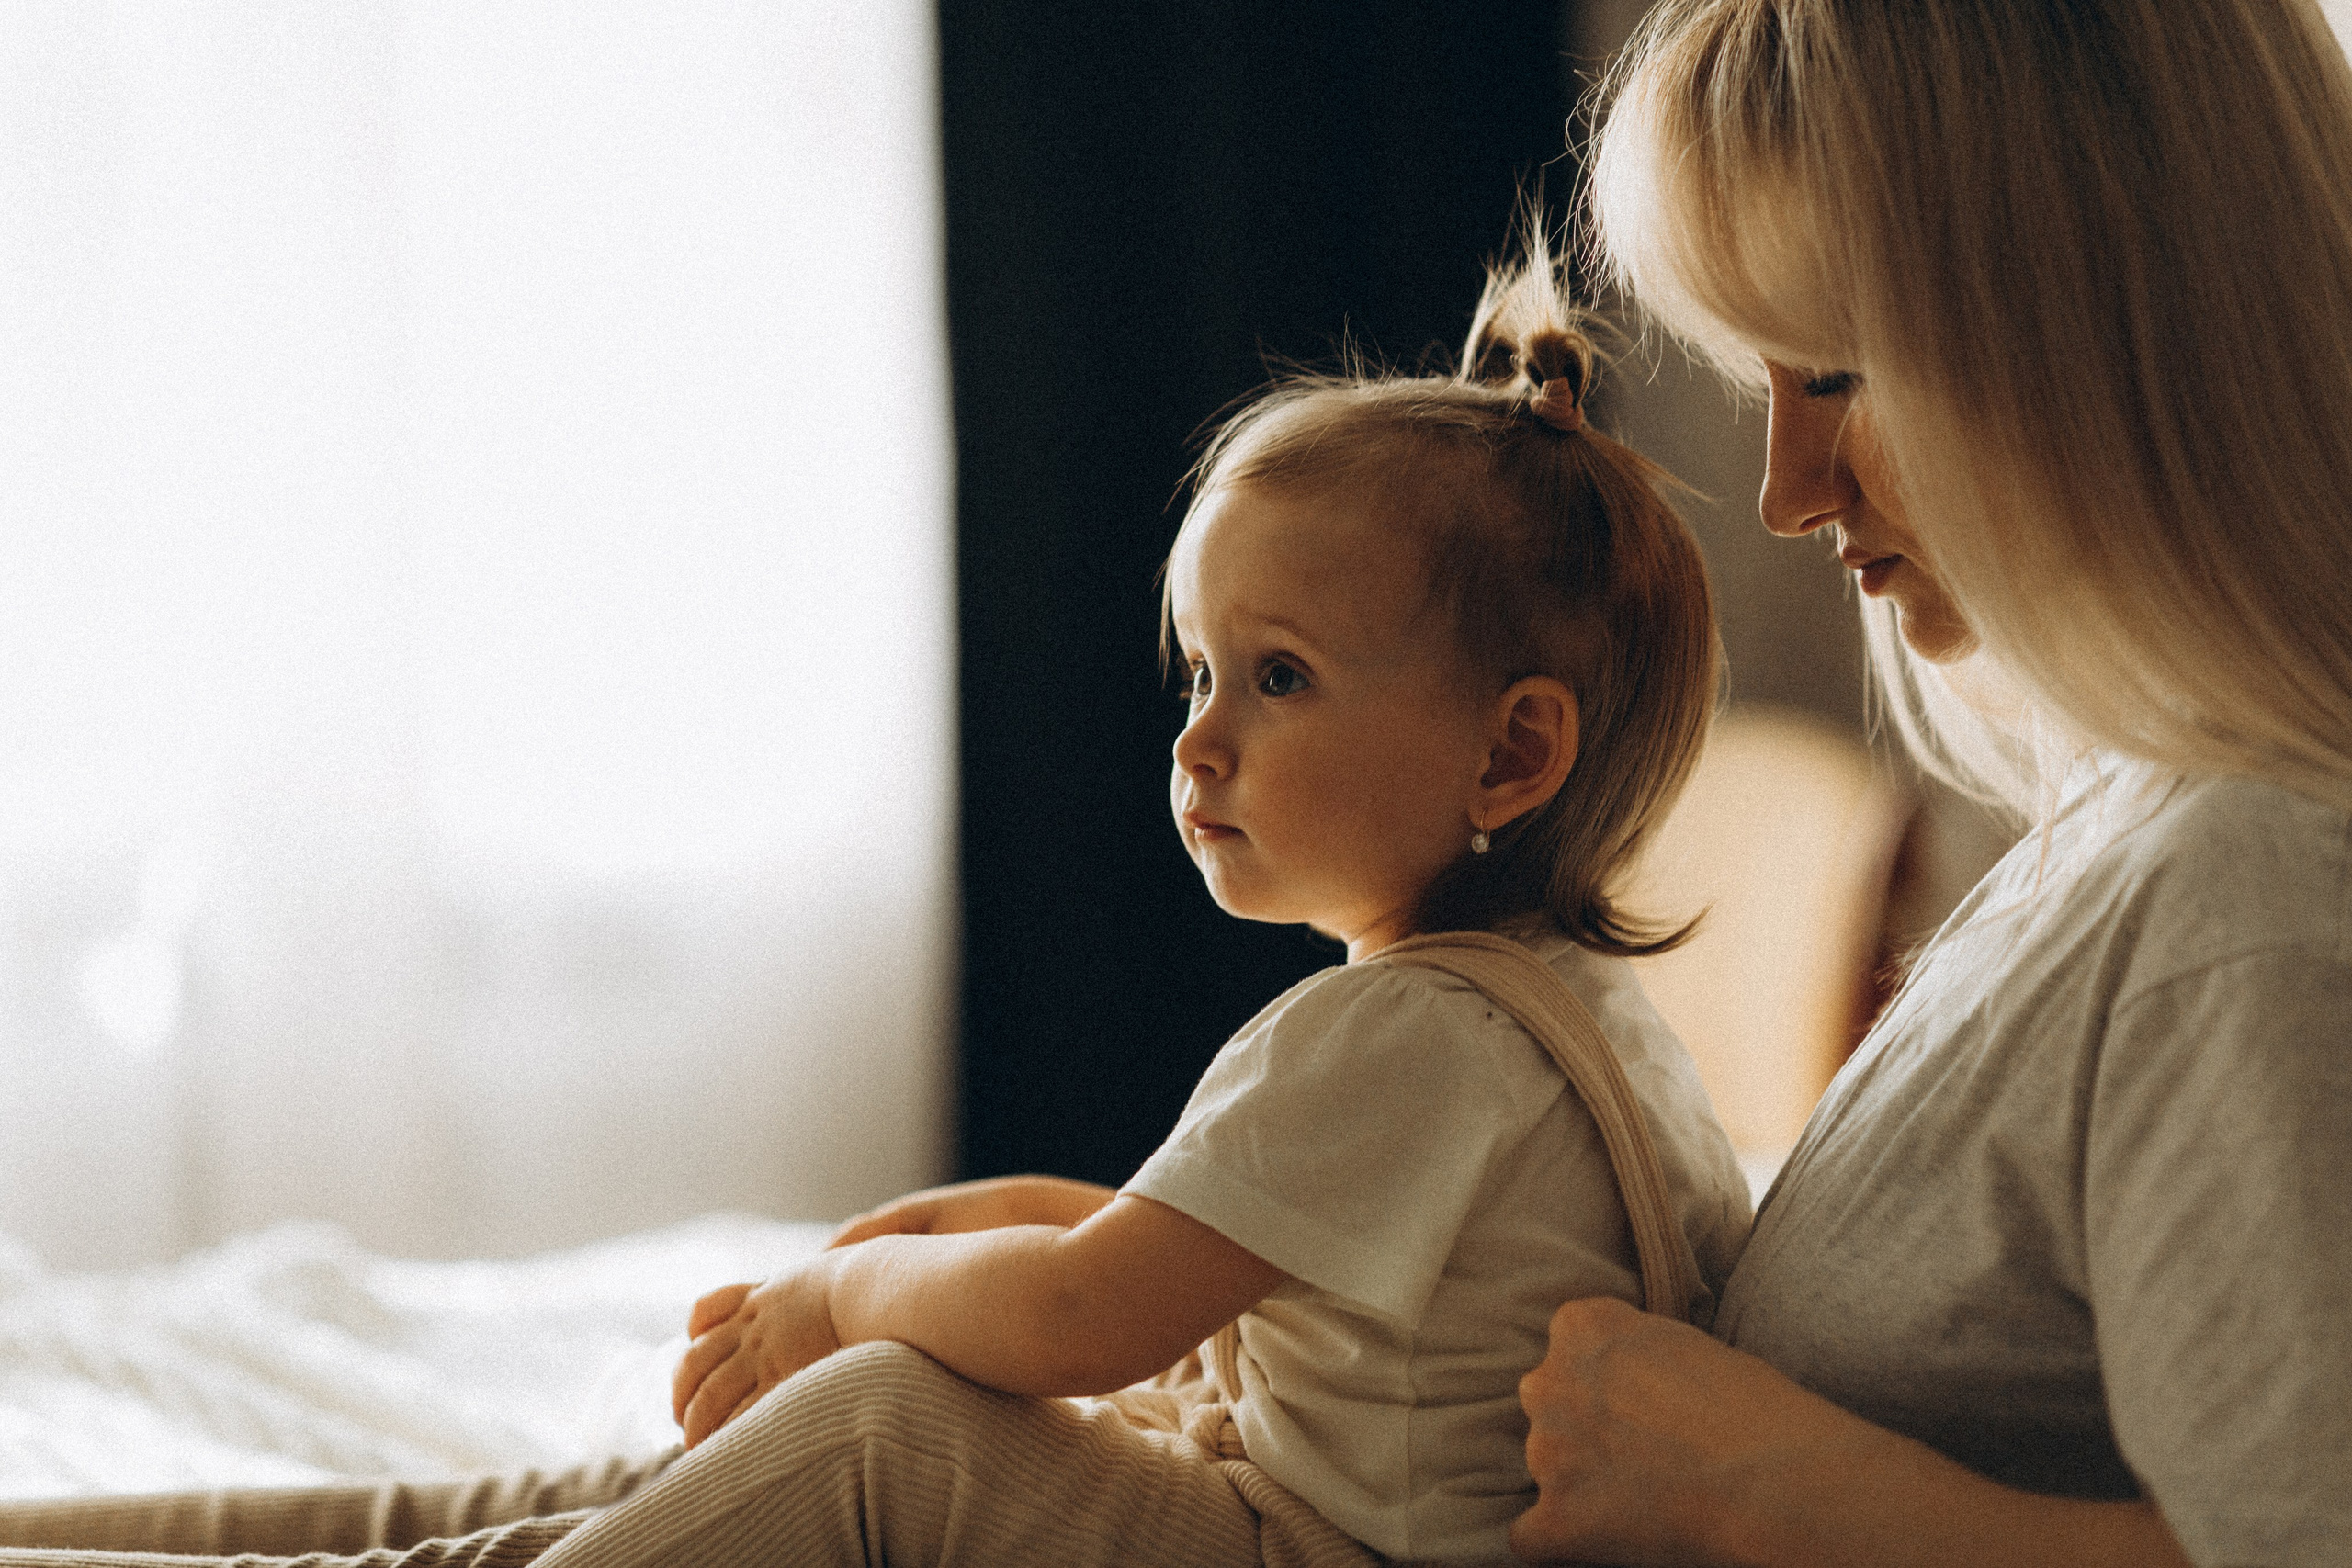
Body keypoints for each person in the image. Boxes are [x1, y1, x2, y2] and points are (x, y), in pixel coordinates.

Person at [0, 232, 1749, 1567]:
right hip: (1311, 1514)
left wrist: (855, 1304)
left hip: (1305, 1549)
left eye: (1277, 681)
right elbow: (1284, 1275)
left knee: (886, 1418)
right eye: (1199, 675)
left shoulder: (1398, 1034)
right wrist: (1021, 1217)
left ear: (1511, 757)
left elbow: (1084, 1318)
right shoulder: (1570, 1027)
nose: (1201, 744)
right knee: (714, 1471)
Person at [1502, 3, 2352, 1566]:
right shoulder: (2134, 835)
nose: (1784, 493)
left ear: (2108, 323)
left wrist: (1747, 1479)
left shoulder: (2248, 893)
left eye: (1833, 374)